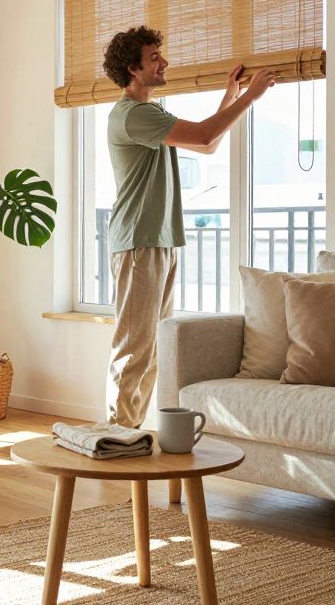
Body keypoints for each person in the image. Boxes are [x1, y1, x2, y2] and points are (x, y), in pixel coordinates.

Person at [102, 25, 275, 428]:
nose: (165, 62)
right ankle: (113, 441)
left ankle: (129, 438)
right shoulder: (132, 115)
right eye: (154, 58)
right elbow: (203, 133)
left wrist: (229, 96)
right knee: (133, 351)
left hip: (158, 240)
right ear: (133, 68)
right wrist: (250, 97)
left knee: (152, 350)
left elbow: (206, 143)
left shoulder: (153, 111)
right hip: (137, 242)